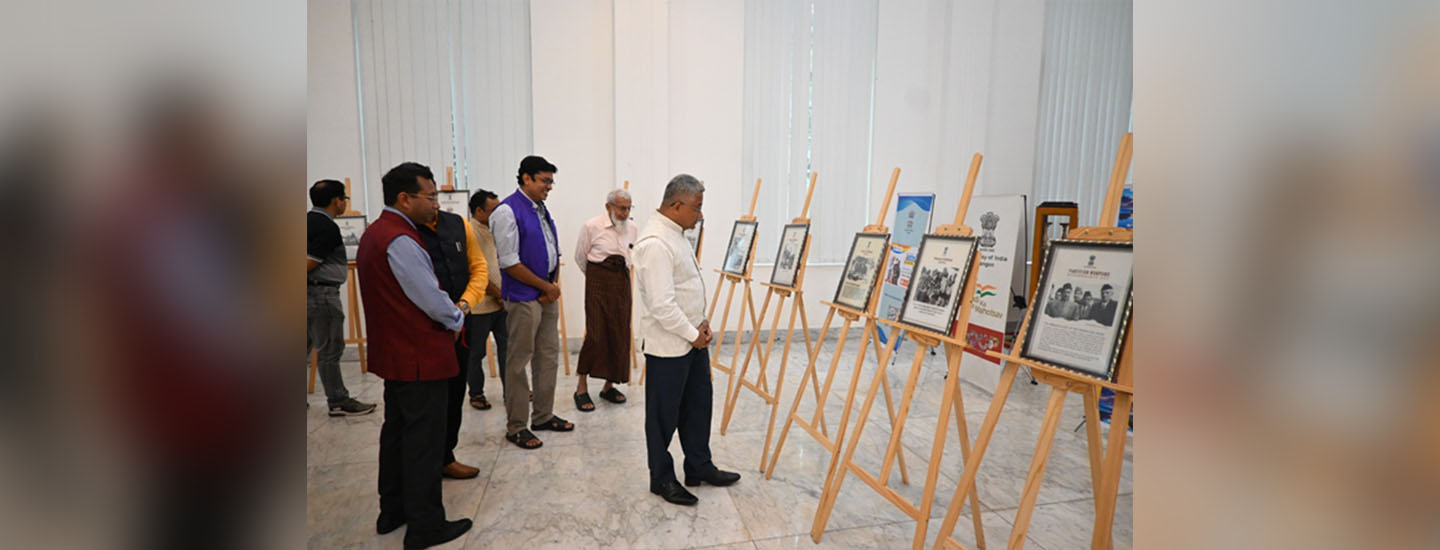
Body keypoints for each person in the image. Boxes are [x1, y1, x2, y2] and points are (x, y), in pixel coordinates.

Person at [357, 162, 472, 548]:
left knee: (397, 437)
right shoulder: (402, 240)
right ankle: (425, 526)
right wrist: (458, 316)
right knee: (423, 443)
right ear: (404, 199)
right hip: (421, 355)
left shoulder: (377, 233)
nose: (436, 204)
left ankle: (393, 512)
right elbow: (430, 299)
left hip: (397, 355)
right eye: (431, 196)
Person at [634, 174, 740, 506]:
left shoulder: (676, 233)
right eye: (696, 208)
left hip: (692, 340)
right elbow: (662, 305)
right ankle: (661, 478)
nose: (701, 215)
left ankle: (698, 466)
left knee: (698, 406)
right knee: (663, 416)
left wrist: (701, 322)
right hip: (670, 346)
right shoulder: (655, 243)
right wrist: (695, 334)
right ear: (676, 205)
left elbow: (686, 287)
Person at [490, 155, 574, 450]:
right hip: (525, 297)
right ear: (526, 178)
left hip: (545, 293)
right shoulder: (506, 211)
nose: (549, 187)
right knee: (518, 360)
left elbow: (552, 249)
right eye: (544, 181)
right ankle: (516, 426)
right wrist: (544, 286)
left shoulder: (539, 208)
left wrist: (551, 285)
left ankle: (543, 415)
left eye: (551, 181)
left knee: (547, 356)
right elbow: (510, 262)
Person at [416, 182, 489, 481]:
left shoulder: (458, 225)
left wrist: (464, 305)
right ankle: (425, 461)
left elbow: (479, 268)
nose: (435, 204)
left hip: (461, 322)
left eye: (436, 198)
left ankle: (446, 455)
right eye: (430, 197)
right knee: (428, 399)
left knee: (456, 391)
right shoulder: (407, 232)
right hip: (425, 328)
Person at [306, 179, 377, 416]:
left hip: (305, 294)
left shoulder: (306, 221)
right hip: (321, 294)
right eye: (344, 198)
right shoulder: (326, 226)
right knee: (329, 350)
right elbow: (310, 262)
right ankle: (338, 400)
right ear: (337, 201)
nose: (345, 203)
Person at [571, 188, 638, 411]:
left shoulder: (633, 228)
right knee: (596, 334)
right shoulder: (592, 226)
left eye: (628, 208)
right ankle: (581, 387)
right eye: (621, 208)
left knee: (619, 333)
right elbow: (581, 257)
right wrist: (595, 280)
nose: (625, 213)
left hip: (621, 283)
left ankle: (609, 386)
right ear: (608, 207)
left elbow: (632, 257)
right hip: (598, 282)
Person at [465, 190, 505, 411]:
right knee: (476, 352)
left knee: (508, 350)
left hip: (502, 302)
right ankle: (476, 393)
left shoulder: (495, 229)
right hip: (480, 305)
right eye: (494, 210)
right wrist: (497, 294)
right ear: (479, 211)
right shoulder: (469, 231)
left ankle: (512, 391)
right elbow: (475, 271)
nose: (499, 213)